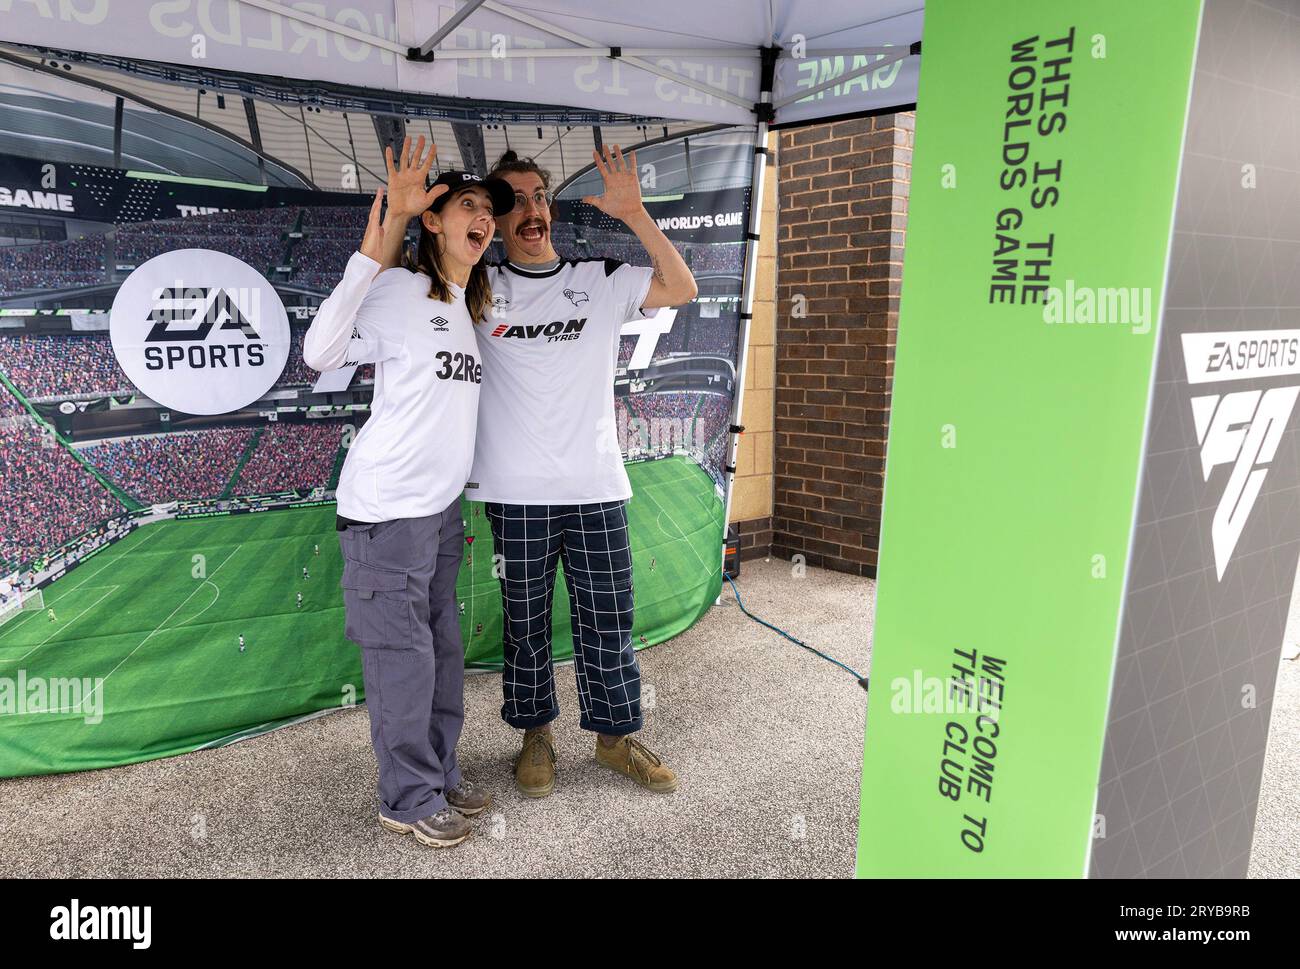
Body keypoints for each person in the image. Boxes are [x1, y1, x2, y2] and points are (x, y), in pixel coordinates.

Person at [303, 136, 515, 849]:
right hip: (385, 512)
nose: (482, 216)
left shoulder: (462, 300)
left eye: (489, 209)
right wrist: (381, 234)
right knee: (404, 661)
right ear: (434, 220)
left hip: (437, 515)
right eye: (467, 205)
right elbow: (320, 353)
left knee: (444, 654)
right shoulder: (397, 288)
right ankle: (407, 796)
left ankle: (439, 774)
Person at [472, 145, 697, 798]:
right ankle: (534, 733)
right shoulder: (480, 289)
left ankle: (613, 737)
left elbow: (681, 287)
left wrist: (636, 215)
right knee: (526, 623)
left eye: (538, 195)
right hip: (516, 496)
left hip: (596, 488)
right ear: (496, 219)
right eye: (512, 201)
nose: (531, 209)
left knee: (608, 620)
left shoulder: (601, 278)